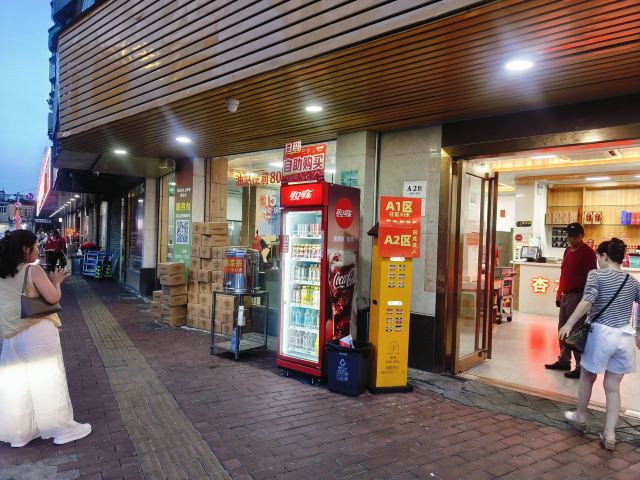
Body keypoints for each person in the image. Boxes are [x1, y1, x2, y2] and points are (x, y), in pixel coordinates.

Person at [0, 230, 91, 447]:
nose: (38, 249)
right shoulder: (33, 270)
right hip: (36, 332)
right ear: (25, 249)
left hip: (10, 336)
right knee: (48, 381)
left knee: (16, 384)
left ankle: (20, 434)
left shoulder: (2, 272)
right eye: (35, 246)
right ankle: (62, 430)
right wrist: (56, 281)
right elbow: (52, 297)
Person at [560, 239, 640, 451]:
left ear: (605, 256)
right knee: (613, 386)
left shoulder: (596, 275)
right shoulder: (632, 281)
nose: (597, 261)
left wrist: (569, 323)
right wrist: (639, 331)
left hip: (602, 334)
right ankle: (610, 434)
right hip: (624, 336)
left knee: (587, 377)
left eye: (598, 257)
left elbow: (588, 300)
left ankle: (580, 418)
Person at [545, 223, 597, 378]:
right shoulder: (567, 250)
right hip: (566, 295)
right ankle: (564, 360)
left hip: (578, 295)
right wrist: (559, 291)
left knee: (576, 331)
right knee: (562, 328)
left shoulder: (588, 253)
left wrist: (586, 299)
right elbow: (563, 273)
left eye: (575, 236)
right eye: (570, 236)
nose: (572, 239)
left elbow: (591, 277)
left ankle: (580, 366)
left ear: (582, 235)